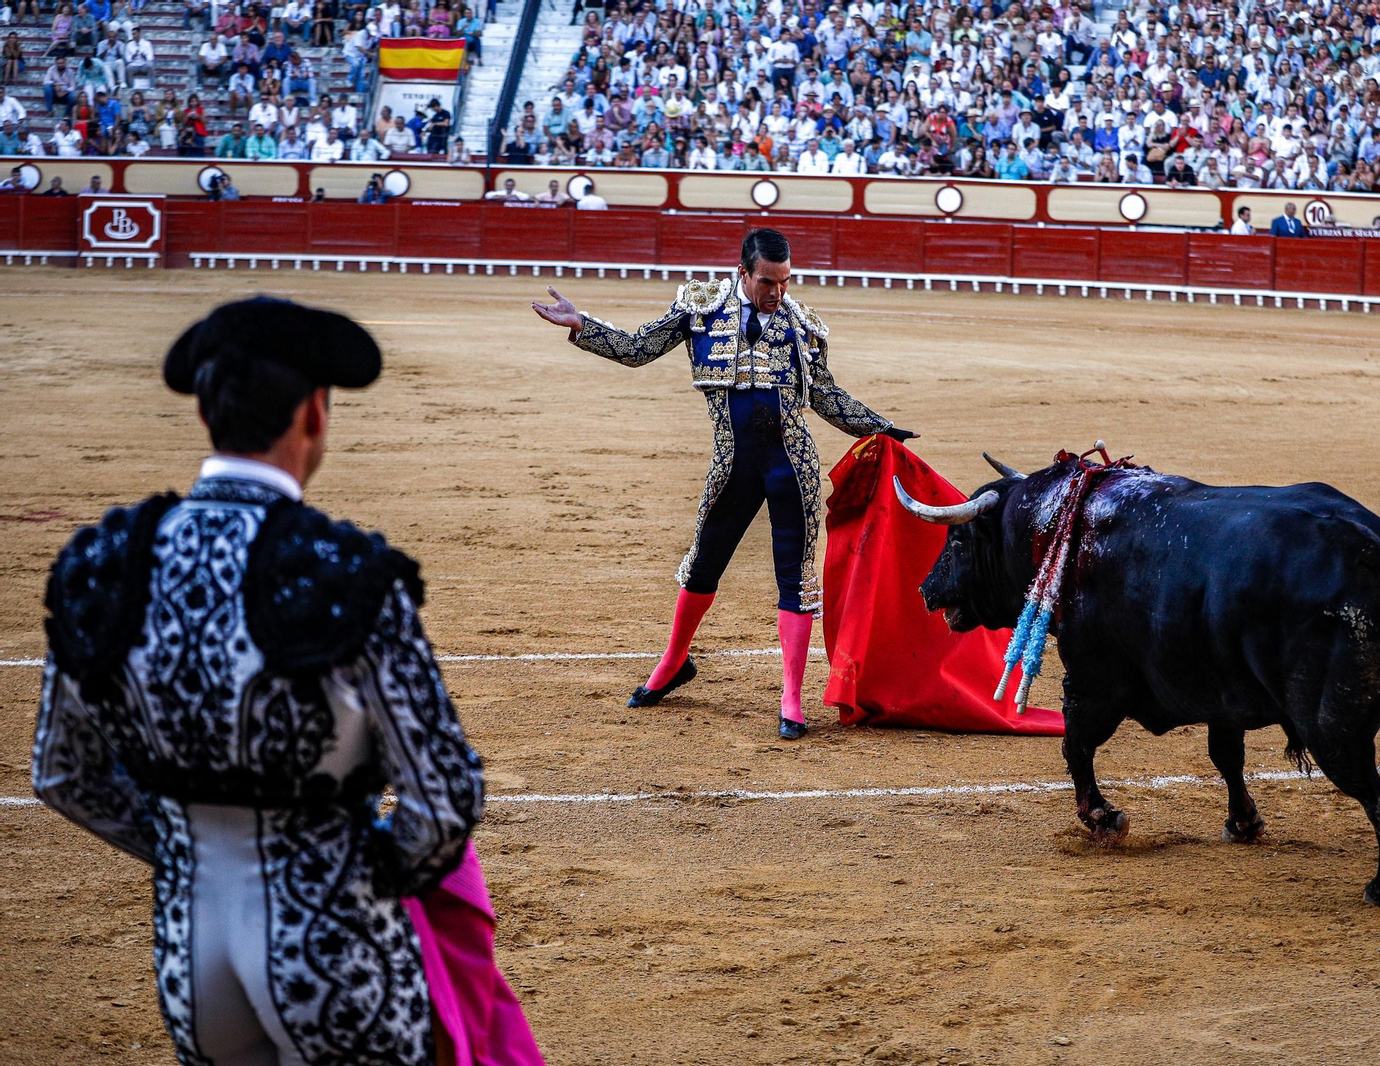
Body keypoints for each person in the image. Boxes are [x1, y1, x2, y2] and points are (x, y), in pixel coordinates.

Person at [32, 298, 487, 1066]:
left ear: (207, 415)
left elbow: (61, 773)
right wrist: (353, 872)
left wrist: (182, 844)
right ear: (316, 412)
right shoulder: (346, 572)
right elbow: (444, 800)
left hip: (189, 949)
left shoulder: (101, 564)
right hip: (335, 945)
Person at [531, 229, 916, 740]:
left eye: (784, 281)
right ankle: (673, 662)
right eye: (766, 281)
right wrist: (583, 326)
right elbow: (638, 348)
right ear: (742, 272)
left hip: (792, 467)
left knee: (795, 579)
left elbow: (823, 394)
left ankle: (791, 696)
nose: (777, 292)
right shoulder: (701, 308)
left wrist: (879, 428)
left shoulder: (803, 326)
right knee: (702, 565)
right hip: (731, 465)